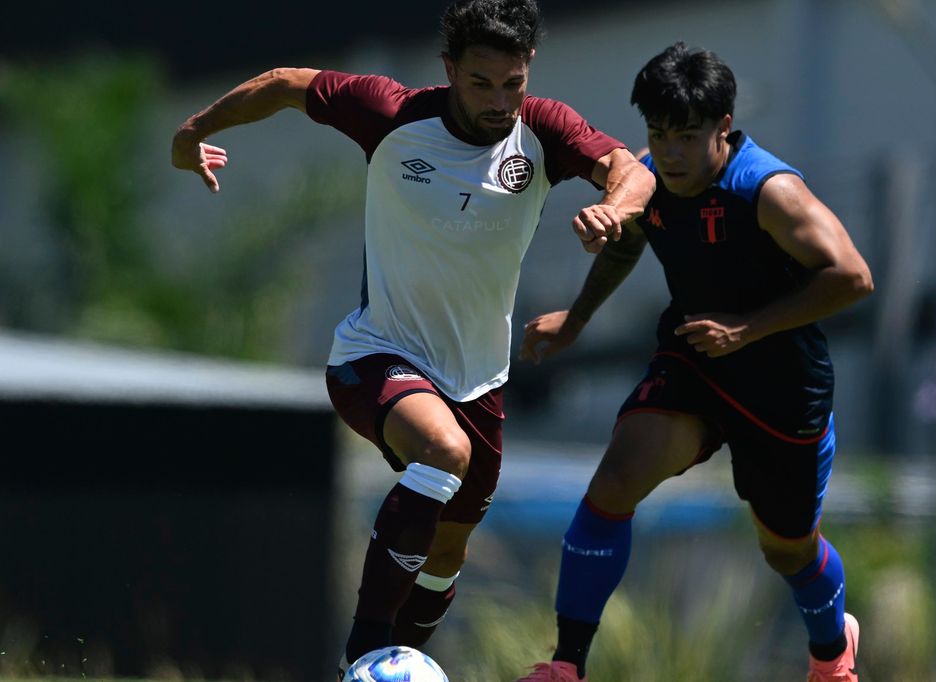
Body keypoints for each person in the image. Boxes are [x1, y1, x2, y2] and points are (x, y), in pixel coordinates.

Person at [170, 0, 655, 677]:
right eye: (481, 83)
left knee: (446, 553)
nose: (499, 101)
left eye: (512, 83)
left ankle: (404, 659)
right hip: (375, 355)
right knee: (442, 449)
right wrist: (193, 131)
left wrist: (614, 206)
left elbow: (635, 171)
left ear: (529, 69)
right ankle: (363, 655)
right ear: (450, 69)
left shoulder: (544, 130)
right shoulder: (391, 114)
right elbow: (284, 82)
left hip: (479, 379)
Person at [515, 42, 874, 682]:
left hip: (782, 385)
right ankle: (566, 665)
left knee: (787, 551)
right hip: (696, 360)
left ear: (724, 128)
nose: (670, 153)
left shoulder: (769, 192)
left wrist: (749, 328)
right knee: (616, 481)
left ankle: (831, 655)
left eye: (686, 136)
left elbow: (853, 277)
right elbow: (627, 245)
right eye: (658, 134)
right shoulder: (652, 176)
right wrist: (576, 319)